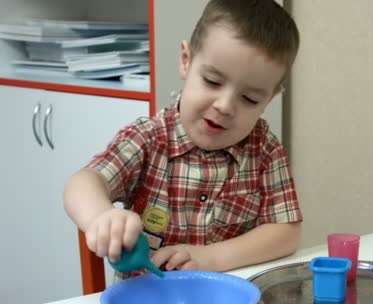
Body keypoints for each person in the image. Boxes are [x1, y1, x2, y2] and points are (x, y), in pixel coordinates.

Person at [63, 0, 302, 279]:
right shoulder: (149, 138)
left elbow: (286, 232)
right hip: (146, 303)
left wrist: (210, 257)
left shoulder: (265, 150)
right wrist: (100, 217)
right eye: (213, 81)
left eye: (249, 98)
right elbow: (83, 182)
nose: (225, 106)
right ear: (186, 61)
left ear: (270, 98)